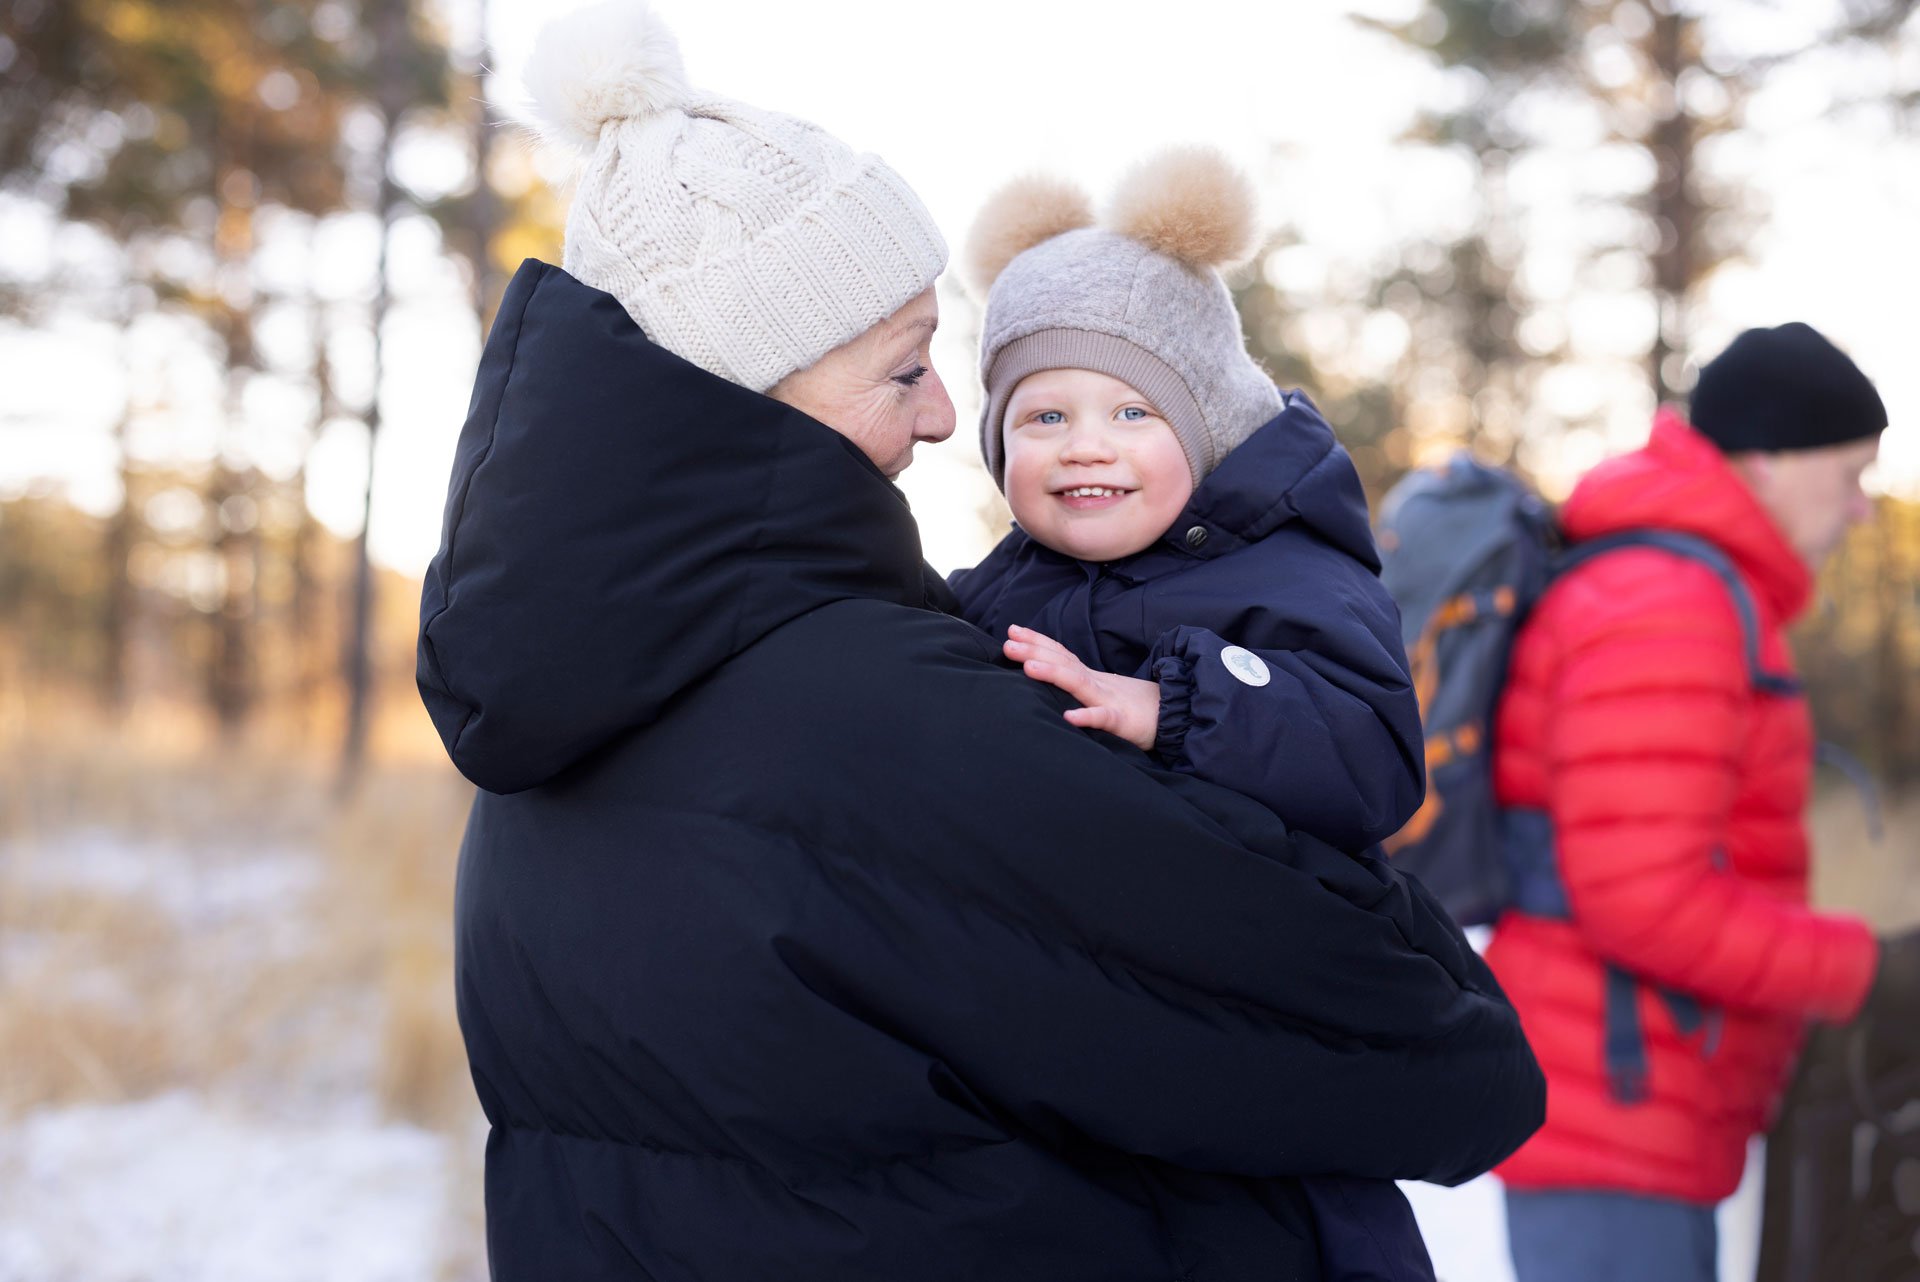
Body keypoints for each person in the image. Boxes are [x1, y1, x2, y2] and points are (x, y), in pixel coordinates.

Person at [416, 3, 1546, 1278]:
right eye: (906, 369)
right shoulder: (893, 717)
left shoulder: (543, 737)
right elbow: (1447, 1059)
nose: (955, 418)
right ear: (759, 381)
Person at [947, 154, 1430, 1280]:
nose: (1085, 442)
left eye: (1131, 408)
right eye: (1043, 414)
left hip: (1268, 1062)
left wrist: (1181, 704)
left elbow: (1372, 756)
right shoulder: (993, 592)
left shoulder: (1296, 576)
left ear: (1207, 417)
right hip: (1074, 1073)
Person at [1485, 321, 1913, 1282]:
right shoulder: (1665, 601)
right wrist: (1866, 972)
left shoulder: (1683, 584)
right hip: (1612, 1106)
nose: (1857, 511)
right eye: (1847, 474)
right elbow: (1642, 900)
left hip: (1635, 1090)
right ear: (1766, 460)